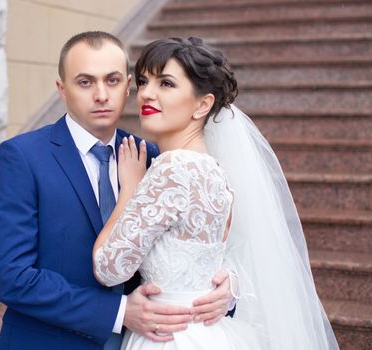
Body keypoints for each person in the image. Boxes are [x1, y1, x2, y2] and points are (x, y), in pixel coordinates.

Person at [0, 32, 236, 350]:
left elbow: (203, 245)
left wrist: (227, 288)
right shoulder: (22, 156)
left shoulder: (155, 159)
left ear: (128, 85)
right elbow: (12, 277)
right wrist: (118, 313)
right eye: (85, 82)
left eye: (113, 80)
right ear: (62, 89)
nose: (102, 95)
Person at [93, 37, 340, 349]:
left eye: (166, 83)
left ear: (203, 104)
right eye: (143, 81)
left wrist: (129, 188)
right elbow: (224, 256)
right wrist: (232, 284)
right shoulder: (215, 171)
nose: (146, 93)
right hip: (210, 332)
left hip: (170, 336)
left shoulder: (172, 169)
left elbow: (109, 268)